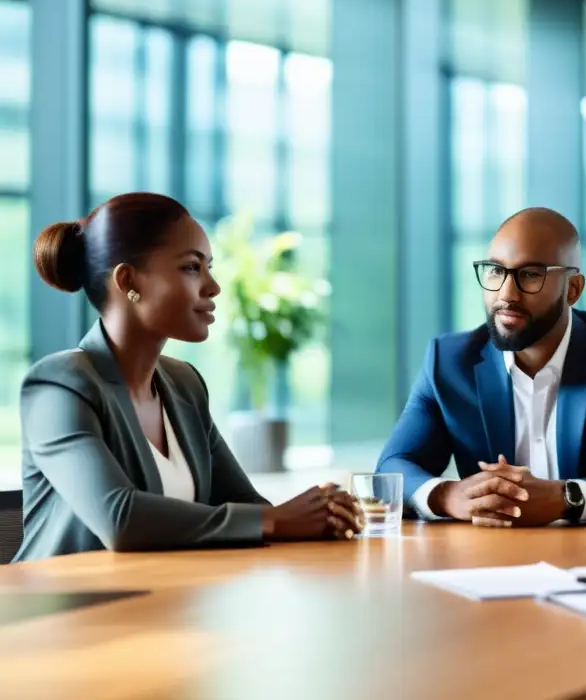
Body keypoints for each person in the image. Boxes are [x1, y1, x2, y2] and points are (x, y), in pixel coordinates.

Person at [14, 193, 364, 561]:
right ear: (129, 280)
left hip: (163, 603)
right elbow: (120, 519)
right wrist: (278, 519)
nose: (213, 287)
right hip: (66, 612)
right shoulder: (58, 385)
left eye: (208, 267)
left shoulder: (184, 384)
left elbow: (247, 505)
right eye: (192, 267)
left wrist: (321, 514)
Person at [376, 207, 586, 527]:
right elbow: (392, 468)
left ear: (572, 289)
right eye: (495, 271)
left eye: (530, 274)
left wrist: (566, 498)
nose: (506, 293)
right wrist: (447, 496)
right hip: (487, 563)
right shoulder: (448, 363)